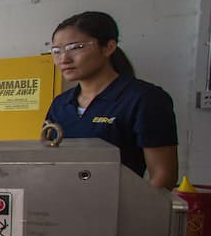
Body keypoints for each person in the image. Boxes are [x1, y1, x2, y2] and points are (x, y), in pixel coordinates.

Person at [44, 11, 178, 189]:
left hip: (119, 209)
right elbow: (46, 162)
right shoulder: (61, 104)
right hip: (63, 205)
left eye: (75, 48)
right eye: (56, 51)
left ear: (108, 47)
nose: (64, 59)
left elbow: (163, 176)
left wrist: (136, 212)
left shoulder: (144, 98)